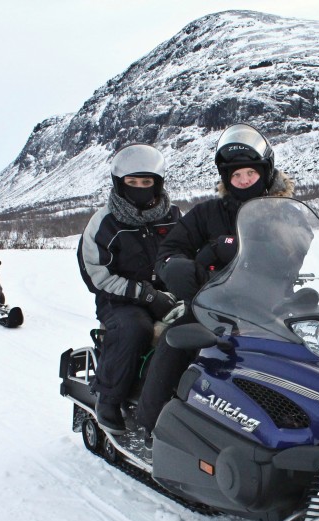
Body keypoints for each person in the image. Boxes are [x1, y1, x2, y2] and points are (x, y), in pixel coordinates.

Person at [135, 123, 294, 435]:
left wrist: (243, 245)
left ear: (264, 173)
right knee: (175, 342)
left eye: (250, 173)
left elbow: (295, 248)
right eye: (236, 175)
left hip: (272, 306)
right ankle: (151, 425)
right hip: (214, 305)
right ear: (226, 179)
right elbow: (170, 250)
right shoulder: (208, 212)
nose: (244, 180)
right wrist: (189, 265)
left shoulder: (283, 212)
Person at [79, 143, 180, 434]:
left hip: (168, 295)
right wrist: (146, 294)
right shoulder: (104, 222)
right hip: (118, 300)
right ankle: (109, 397)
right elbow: (97, 274)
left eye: (146, 182)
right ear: (119, 183)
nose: (140, 188)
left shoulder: (172, 216)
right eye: (132, 183)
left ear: (157, 184)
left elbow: (189, 253)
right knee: (135, 328)